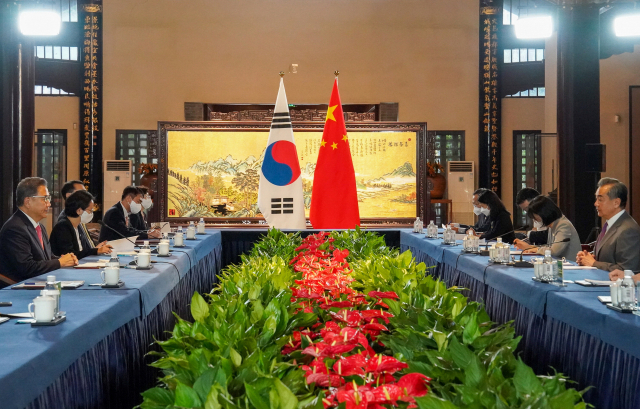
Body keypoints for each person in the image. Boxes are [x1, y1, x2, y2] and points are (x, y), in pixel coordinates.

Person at [0, 177, 77, 287]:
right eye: (45, 199)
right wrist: (59, 262)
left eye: (48, 198)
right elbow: (27, 267)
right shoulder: (15, 228)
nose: (49, 204)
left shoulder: (39, 226)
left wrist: (66, 259)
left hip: (39, 283)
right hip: (20, 288)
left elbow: (47, 258)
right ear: (28, 202)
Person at [577, 178, 640, 272]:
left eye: (600, 200)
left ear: (616, 203)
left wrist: (594, 263)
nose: (596, 204)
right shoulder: (610, 224)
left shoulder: (628, 229)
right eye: (596, 199)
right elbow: (607, 257)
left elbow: (628, 270)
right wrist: (587, 258)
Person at [50, 190, 113, 259]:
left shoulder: (78, 225)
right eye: (90, 210)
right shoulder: (63, 227)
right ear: (79, 210)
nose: (91, 214)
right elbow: (70, 254)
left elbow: (82, 251)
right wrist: (96, 251)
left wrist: (96, 249)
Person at [515, 196, 582, 260]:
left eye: (535, 217)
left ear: (543, 214)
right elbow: (548, 247)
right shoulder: (553, 224)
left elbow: (554, 251)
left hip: (570, 265)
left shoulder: (563, 225)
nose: (535, 220)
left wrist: (533, 249)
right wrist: (529, 247)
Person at [58, 180, 95, 250]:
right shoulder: (66, 221)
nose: (85, 196)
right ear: (69, 196)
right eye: (81, 193)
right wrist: (95, 251)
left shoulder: (79, 217)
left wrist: (96, 250)